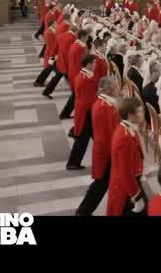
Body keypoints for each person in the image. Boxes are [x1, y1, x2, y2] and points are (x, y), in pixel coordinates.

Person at [75, 76, 119, 216]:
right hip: (106, 153)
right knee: (100, 184)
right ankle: (83, 211)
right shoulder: (103, 107)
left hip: (105, 151)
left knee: (102, 184)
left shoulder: (105, 104)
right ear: (108, 90)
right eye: (115, 87)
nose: (117, 89)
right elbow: (107, 135)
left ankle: (84, 211)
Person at [108, 97, 147, 216]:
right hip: (126, 187)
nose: (142, 114)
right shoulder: (125, 137)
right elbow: (125, 172)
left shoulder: (127, 129)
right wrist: (136, 196)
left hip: (131, 181)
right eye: (139, 111)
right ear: (130, 115)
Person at [66, 55, 97, 170]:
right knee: (82, 140)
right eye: (94, 63)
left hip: (85, 111)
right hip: (85, 113)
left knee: (90, 137)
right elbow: (88, 99)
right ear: (88, 64)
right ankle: (72, 163)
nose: (95, 65)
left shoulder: (84, 75)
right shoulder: (84, 79)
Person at [42, 22, 75, 100]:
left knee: (57, 77)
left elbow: (55, 48)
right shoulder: (73, 38)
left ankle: (46, 91)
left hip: (60, 61)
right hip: (67, 62)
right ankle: (75, 93)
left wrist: (52, 57)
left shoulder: (61, 36)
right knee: (69, 77)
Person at [34, 19, 58, 87]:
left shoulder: (51, 31)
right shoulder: (50, 33)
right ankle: (38, 82)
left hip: (51, 53)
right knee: (48, 69)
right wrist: (54, 55)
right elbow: (51, 46)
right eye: (55, 23)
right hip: (50, 54)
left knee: (48, 69)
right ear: (52, 24)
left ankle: (38, 81)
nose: (56, 25)